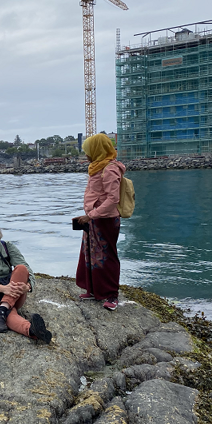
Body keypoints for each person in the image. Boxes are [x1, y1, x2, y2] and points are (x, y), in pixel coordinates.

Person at [0, 218, 52, 343]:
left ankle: (2, 310)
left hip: (11, 295)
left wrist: (27, 287)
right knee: (10, 314)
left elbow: (28, 270)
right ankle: (33, 331)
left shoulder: (8, 247)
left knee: (22, 269)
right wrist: (3, 289)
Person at [73, 133, 126, 311]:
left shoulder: (109, 169)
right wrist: (89, 215)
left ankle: (112, 294)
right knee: (90, 254)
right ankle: (94, 289)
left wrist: (91, 214)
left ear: (97, 150)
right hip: (94, 218)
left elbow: (113, 199)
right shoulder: (96, 166)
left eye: (88, 151)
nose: (86, 155)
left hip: (105, 220)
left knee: (106, 257)